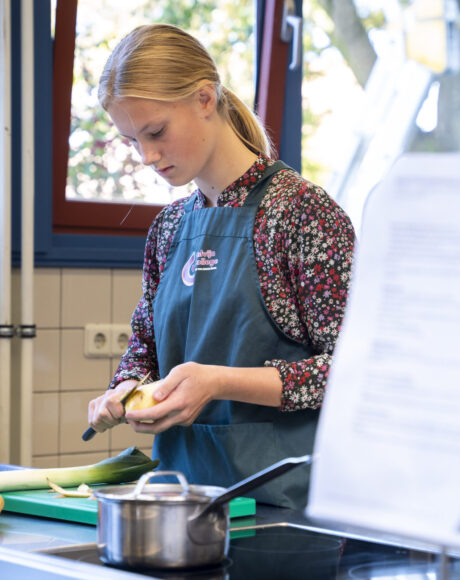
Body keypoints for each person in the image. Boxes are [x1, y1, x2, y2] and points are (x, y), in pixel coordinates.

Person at [85, 23, 356, 510]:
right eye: (131, 141)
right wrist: (126, 389)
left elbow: (353, 373)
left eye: (156, 132)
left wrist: (220, 382)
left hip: (284, 508)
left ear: (205, 99)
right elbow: (144, 350)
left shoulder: (302, 214)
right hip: (179, 500)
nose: (147, 156)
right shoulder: (169, 228)